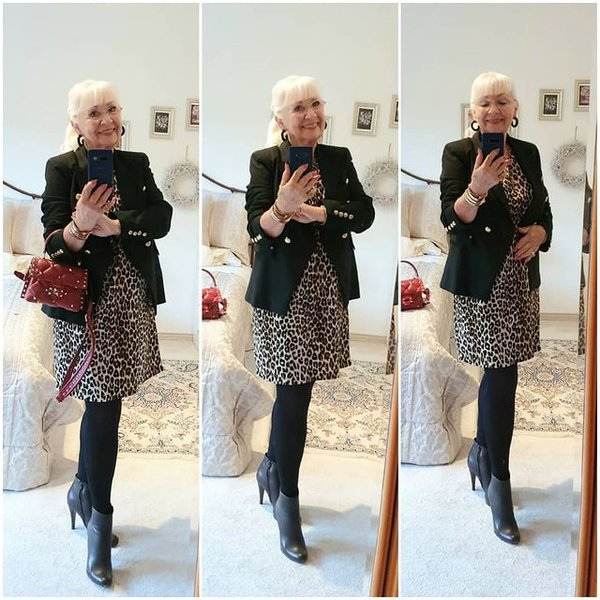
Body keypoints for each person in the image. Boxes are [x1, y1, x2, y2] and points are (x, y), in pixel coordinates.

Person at [41, 80, 172, 585]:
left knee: (108, 402)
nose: (106, 120)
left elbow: (161, 218)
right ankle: (100, 524)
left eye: (112, 109)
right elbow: (54, 244)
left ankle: (82, 489)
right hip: (84, 307)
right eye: (93, 113)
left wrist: (115, 225)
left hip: (131, 299)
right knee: (103, 408)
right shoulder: (62, 169)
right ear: (75, 123)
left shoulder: (136, 164)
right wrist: (78, 225)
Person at [245, 75, 375, 562]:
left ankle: (271, 465)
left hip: (327, 290)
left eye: (316, 103)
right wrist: (282, 208)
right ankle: (288, 501)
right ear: (280, 118)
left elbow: (364, 213)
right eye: (298, 107)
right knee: (294, 393)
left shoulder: (338, 158)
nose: (311, 114)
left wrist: (321, 214)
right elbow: (256, 227)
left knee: (300, 389)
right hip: (284, 295)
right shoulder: (265, 162)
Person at [440, 72, 553, 544]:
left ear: (514, 109)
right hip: (483, 286)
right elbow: (452, 220)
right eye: (485, 103)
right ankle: (499, 483)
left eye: (502, 101)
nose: (494, 110)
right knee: (501, 374)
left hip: (520, 283)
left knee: (503, 373)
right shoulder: (458, 153)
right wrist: (477, 188)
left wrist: (541, 233)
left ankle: (482, 453)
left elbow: (544, 209)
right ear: (472, 112)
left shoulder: (527, 153)